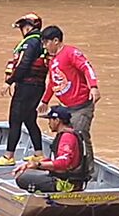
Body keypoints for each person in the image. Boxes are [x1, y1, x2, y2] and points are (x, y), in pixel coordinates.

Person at [0, 13, 46, 166]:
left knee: (15, 119)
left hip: (27, 87)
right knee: (29, 119)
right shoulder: (40, 41)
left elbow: (24, 64)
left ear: (28, 27)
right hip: (36, 86)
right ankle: (38, 154)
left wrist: (9, 81)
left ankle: (8, 156)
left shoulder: (31, 42)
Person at [39, 25, 100, 162]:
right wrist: (45, 100)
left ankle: (87, 170)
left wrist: (94, 86)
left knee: (80, 137)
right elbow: (53, 82)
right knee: (64, 137)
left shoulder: (71, 53)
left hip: (81, 106)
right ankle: (66, 165)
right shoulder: (53, 60)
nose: (45, 46)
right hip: (65, 107)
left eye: (46, 42)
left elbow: (87, 68)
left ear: (56, 41)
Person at [13, 106, 93, 193]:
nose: (48, 123)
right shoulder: (65, 135)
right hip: (64, 177)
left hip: (67, 182)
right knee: (27, 172)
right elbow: (55, 160)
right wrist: (28, 165)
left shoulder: (67, 138)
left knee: (22, 178)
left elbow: (63, 162)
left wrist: (38, 164)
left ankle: (59, 190)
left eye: (50, 120)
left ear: (57, 121)